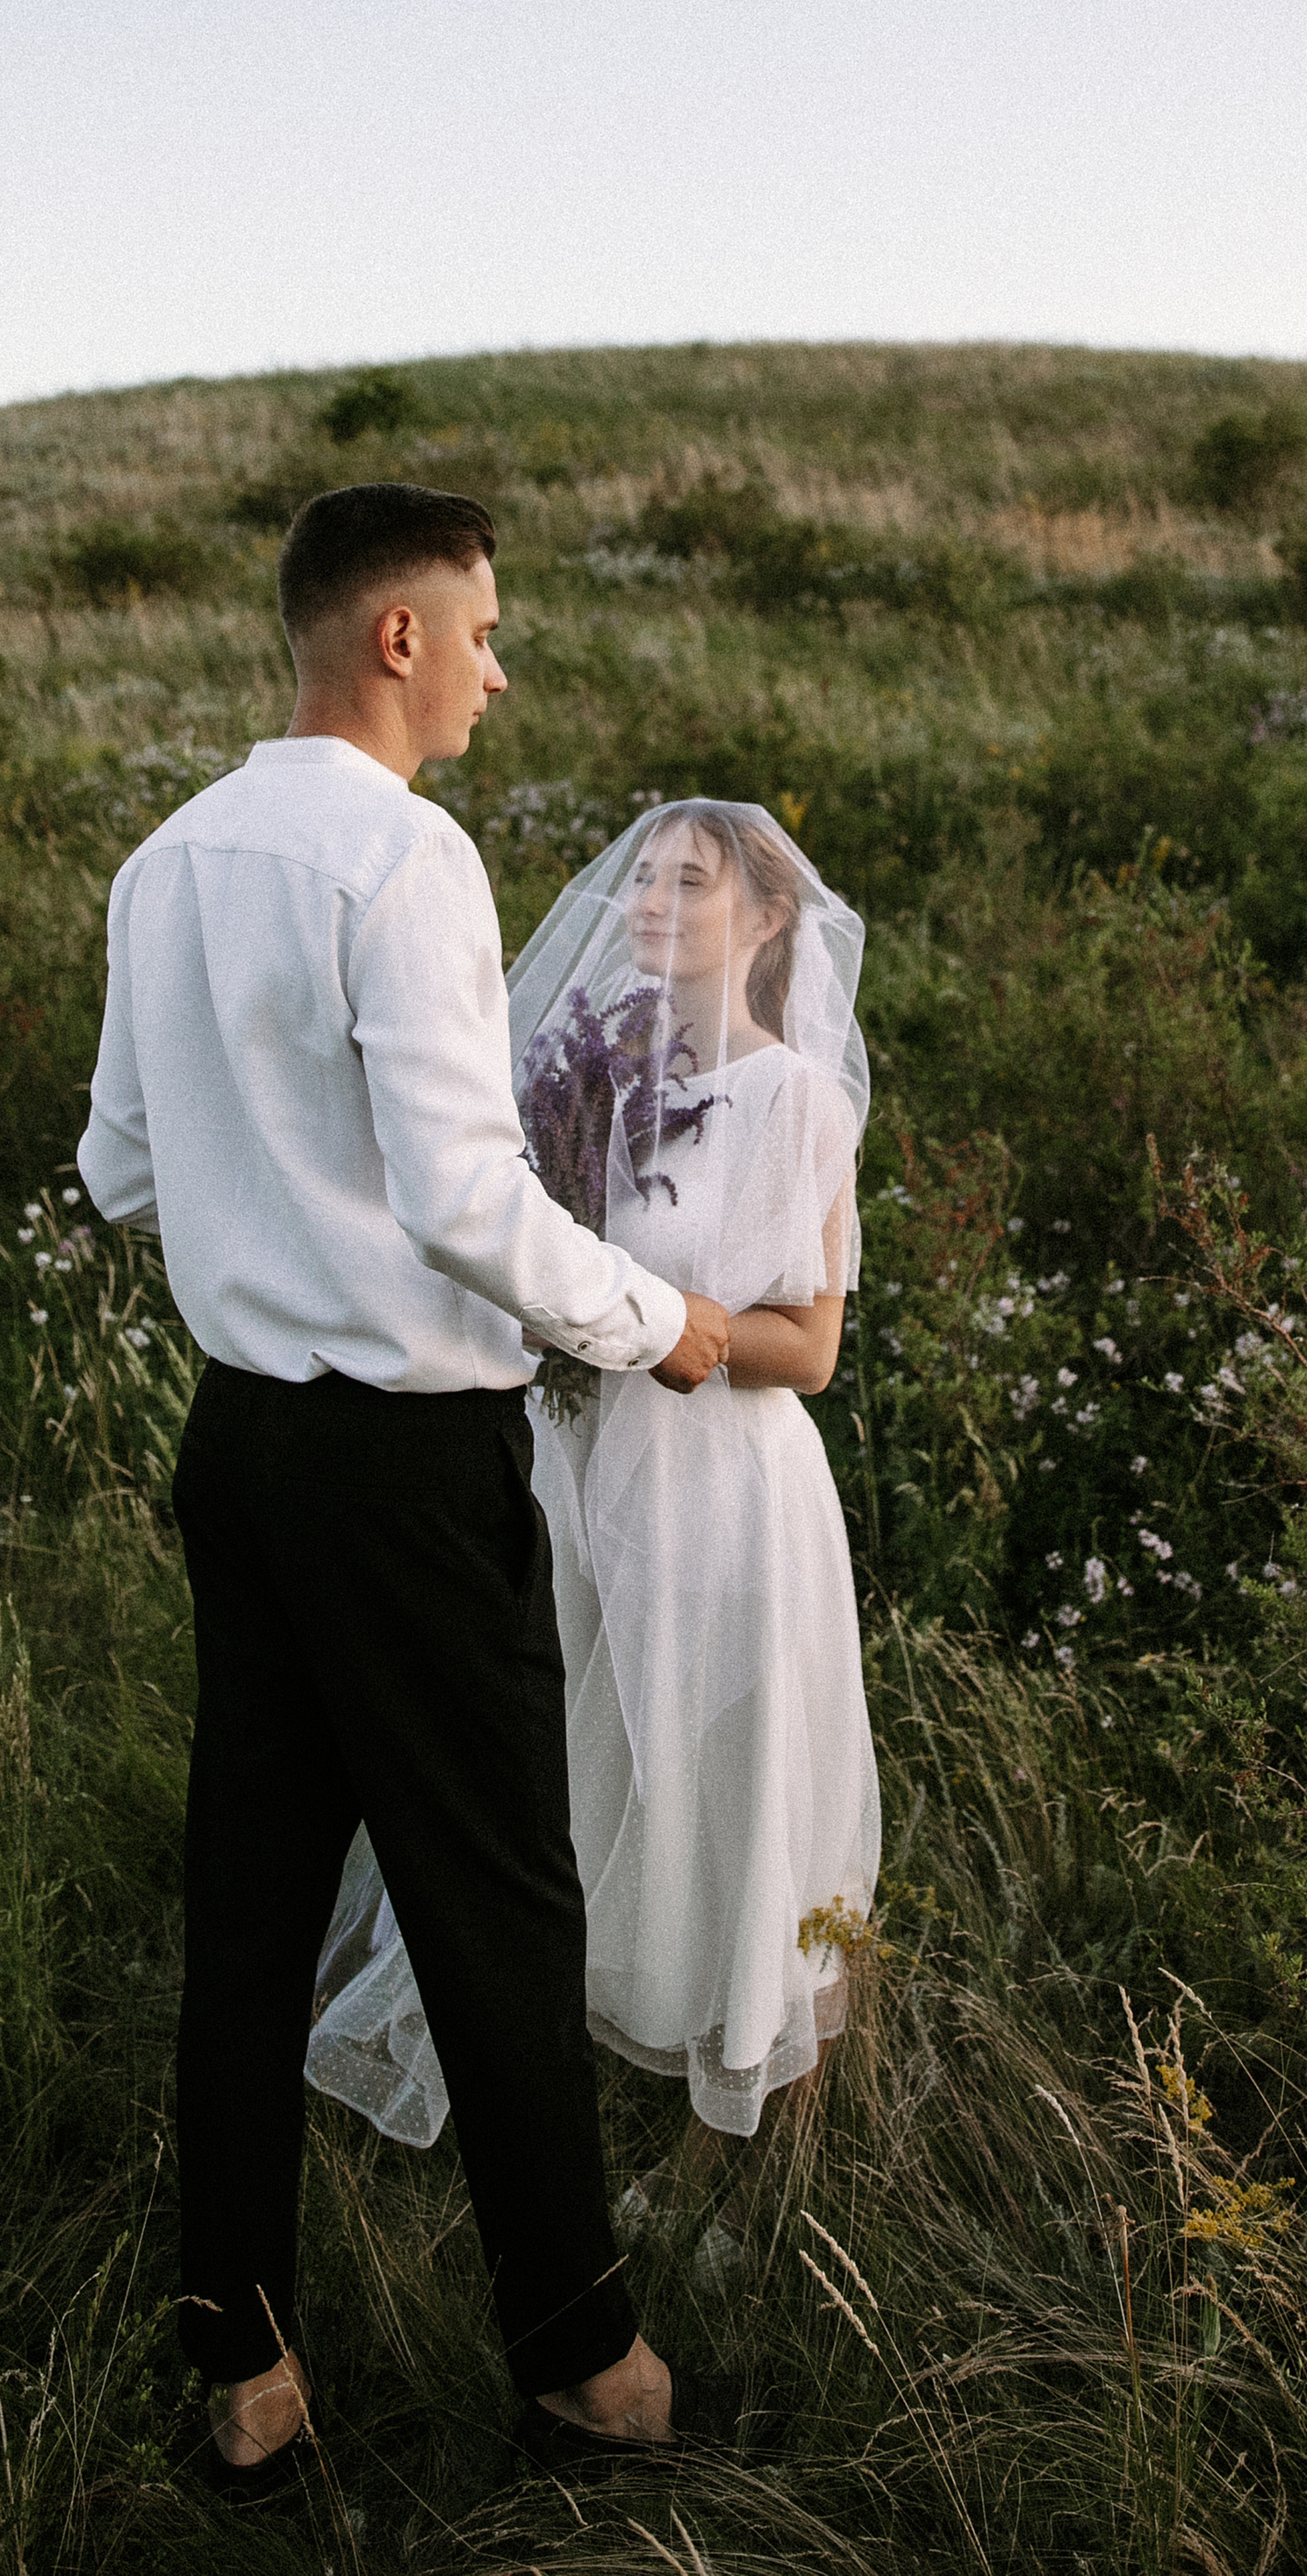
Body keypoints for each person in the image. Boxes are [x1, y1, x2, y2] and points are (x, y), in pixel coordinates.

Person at [75, 481, 731, 2495]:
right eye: (482, 629)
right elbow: (463, 1202)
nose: (495, 669)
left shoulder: (167, 858)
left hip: (242, 1445)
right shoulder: (405, 855)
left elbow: (117, 1169)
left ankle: (241, 2370)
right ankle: (577, 2361)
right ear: (392, 637)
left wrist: (263, 1198)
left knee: (253, 1900)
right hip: (401, 1459)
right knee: (496, 1899)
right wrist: (656, 1323)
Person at [307, 798, 881, 2179]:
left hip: (727, 1491)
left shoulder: (793, 1095)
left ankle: (753, 2112)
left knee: (731, 1779)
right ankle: (547, 2039)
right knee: (569, 1761)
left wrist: (646, 1323)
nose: (650, 904)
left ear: (766, 920)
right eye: (641, 881)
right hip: (583, 1474)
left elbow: (807, 1349)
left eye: (690, 885)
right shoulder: (577, 1076)